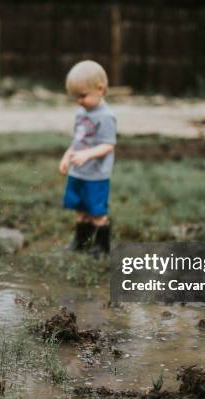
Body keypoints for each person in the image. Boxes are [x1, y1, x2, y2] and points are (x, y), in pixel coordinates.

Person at [58, 60, 117, 255]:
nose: (79, 101)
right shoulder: (81, 113)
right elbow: (77, 141)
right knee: (80, 210)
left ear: (100, 89)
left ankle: (102, 246)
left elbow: (109, 145)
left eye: (82, 96)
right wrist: (67, 157)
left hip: (96, 175)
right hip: (78, 172)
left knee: (96, 211)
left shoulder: (106, 116)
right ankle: (80, 241)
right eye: (75, 97)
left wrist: (87, 155)